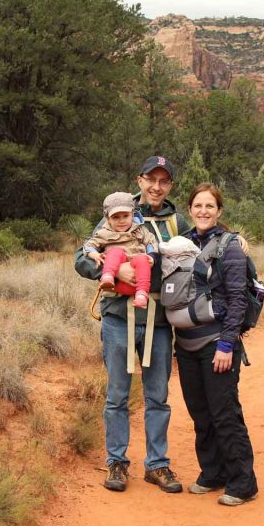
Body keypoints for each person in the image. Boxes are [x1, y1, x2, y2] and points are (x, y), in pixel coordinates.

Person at [74, 156, 191, 493]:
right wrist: (110, 272)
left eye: (164, 181)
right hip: (118, 317)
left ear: (169, 185)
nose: (157, 187)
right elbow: (82, 256)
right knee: (117, 395)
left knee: (158, 396)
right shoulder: (121, 212)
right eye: (151, 179)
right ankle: (117, 462)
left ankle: (157, 465)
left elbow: (201, 243)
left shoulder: (175, 223)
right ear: (140, 180)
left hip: (158, 320)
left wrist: (236, 240)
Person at [175, 183, 259, 506]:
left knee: (224, 412)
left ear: (219, 211)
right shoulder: (183, 243)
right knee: (201, 413)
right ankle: (212, 472)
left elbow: (238, 299)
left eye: (210, 206)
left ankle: (242, 481)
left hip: (217, 343)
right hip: (186, 345)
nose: (203, 211)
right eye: (198, 206)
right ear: (190, 209)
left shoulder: (231, 247)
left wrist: (226, 345)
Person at [82, 192, 156, 309]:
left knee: (143, 259)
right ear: (107, 218)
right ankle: (107, 277)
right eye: (116, 217)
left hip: (136, 280)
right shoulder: (104, 232)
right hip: (116, 283)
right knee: (115, 252)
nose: (121, 221)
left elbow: (151, 242)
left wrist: (151, 256)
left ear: (132, 214)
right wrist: (95, 254)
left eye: (125, 216)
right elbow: (89, 245)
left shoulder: (140, 230)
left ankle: (142, 295)